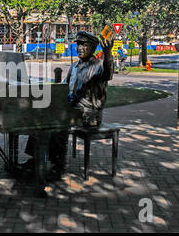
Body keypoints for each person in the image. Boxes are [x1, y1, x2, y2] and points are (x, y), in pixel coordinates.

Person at [21, 31, 114, 180]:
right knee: (41, 118)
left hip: (89, 113)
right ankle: (36, 159)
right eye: (77, 45)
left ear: (92, 47)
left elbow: (109, 74)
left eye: (83, 45)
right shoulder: (74, 66)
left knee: (59, 123)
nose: (79, 48)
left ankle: (59, 166)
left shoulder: (98, 66)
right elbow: (63, 87)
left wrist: (108, 53)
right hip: (71, 109)